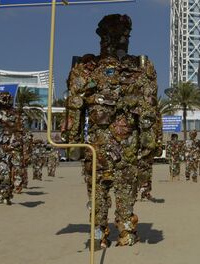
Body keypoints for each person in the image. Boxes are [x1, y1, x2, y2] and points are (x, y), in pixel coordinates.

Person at [62, 14, 160, 248]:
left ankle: (124, 232)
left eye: (123, 34)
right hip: (97, 150)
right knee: (98, 196)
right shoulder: (86, 69)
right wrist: (73, 144)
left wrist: (150, 146)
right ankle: (99, 234)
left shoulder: (141, 67)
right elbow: (74, 110)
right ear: (103, 36)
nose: (120, 39)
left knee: (126, 194)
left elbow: (150, 111)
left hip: (128, 149)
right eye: (114, 34)